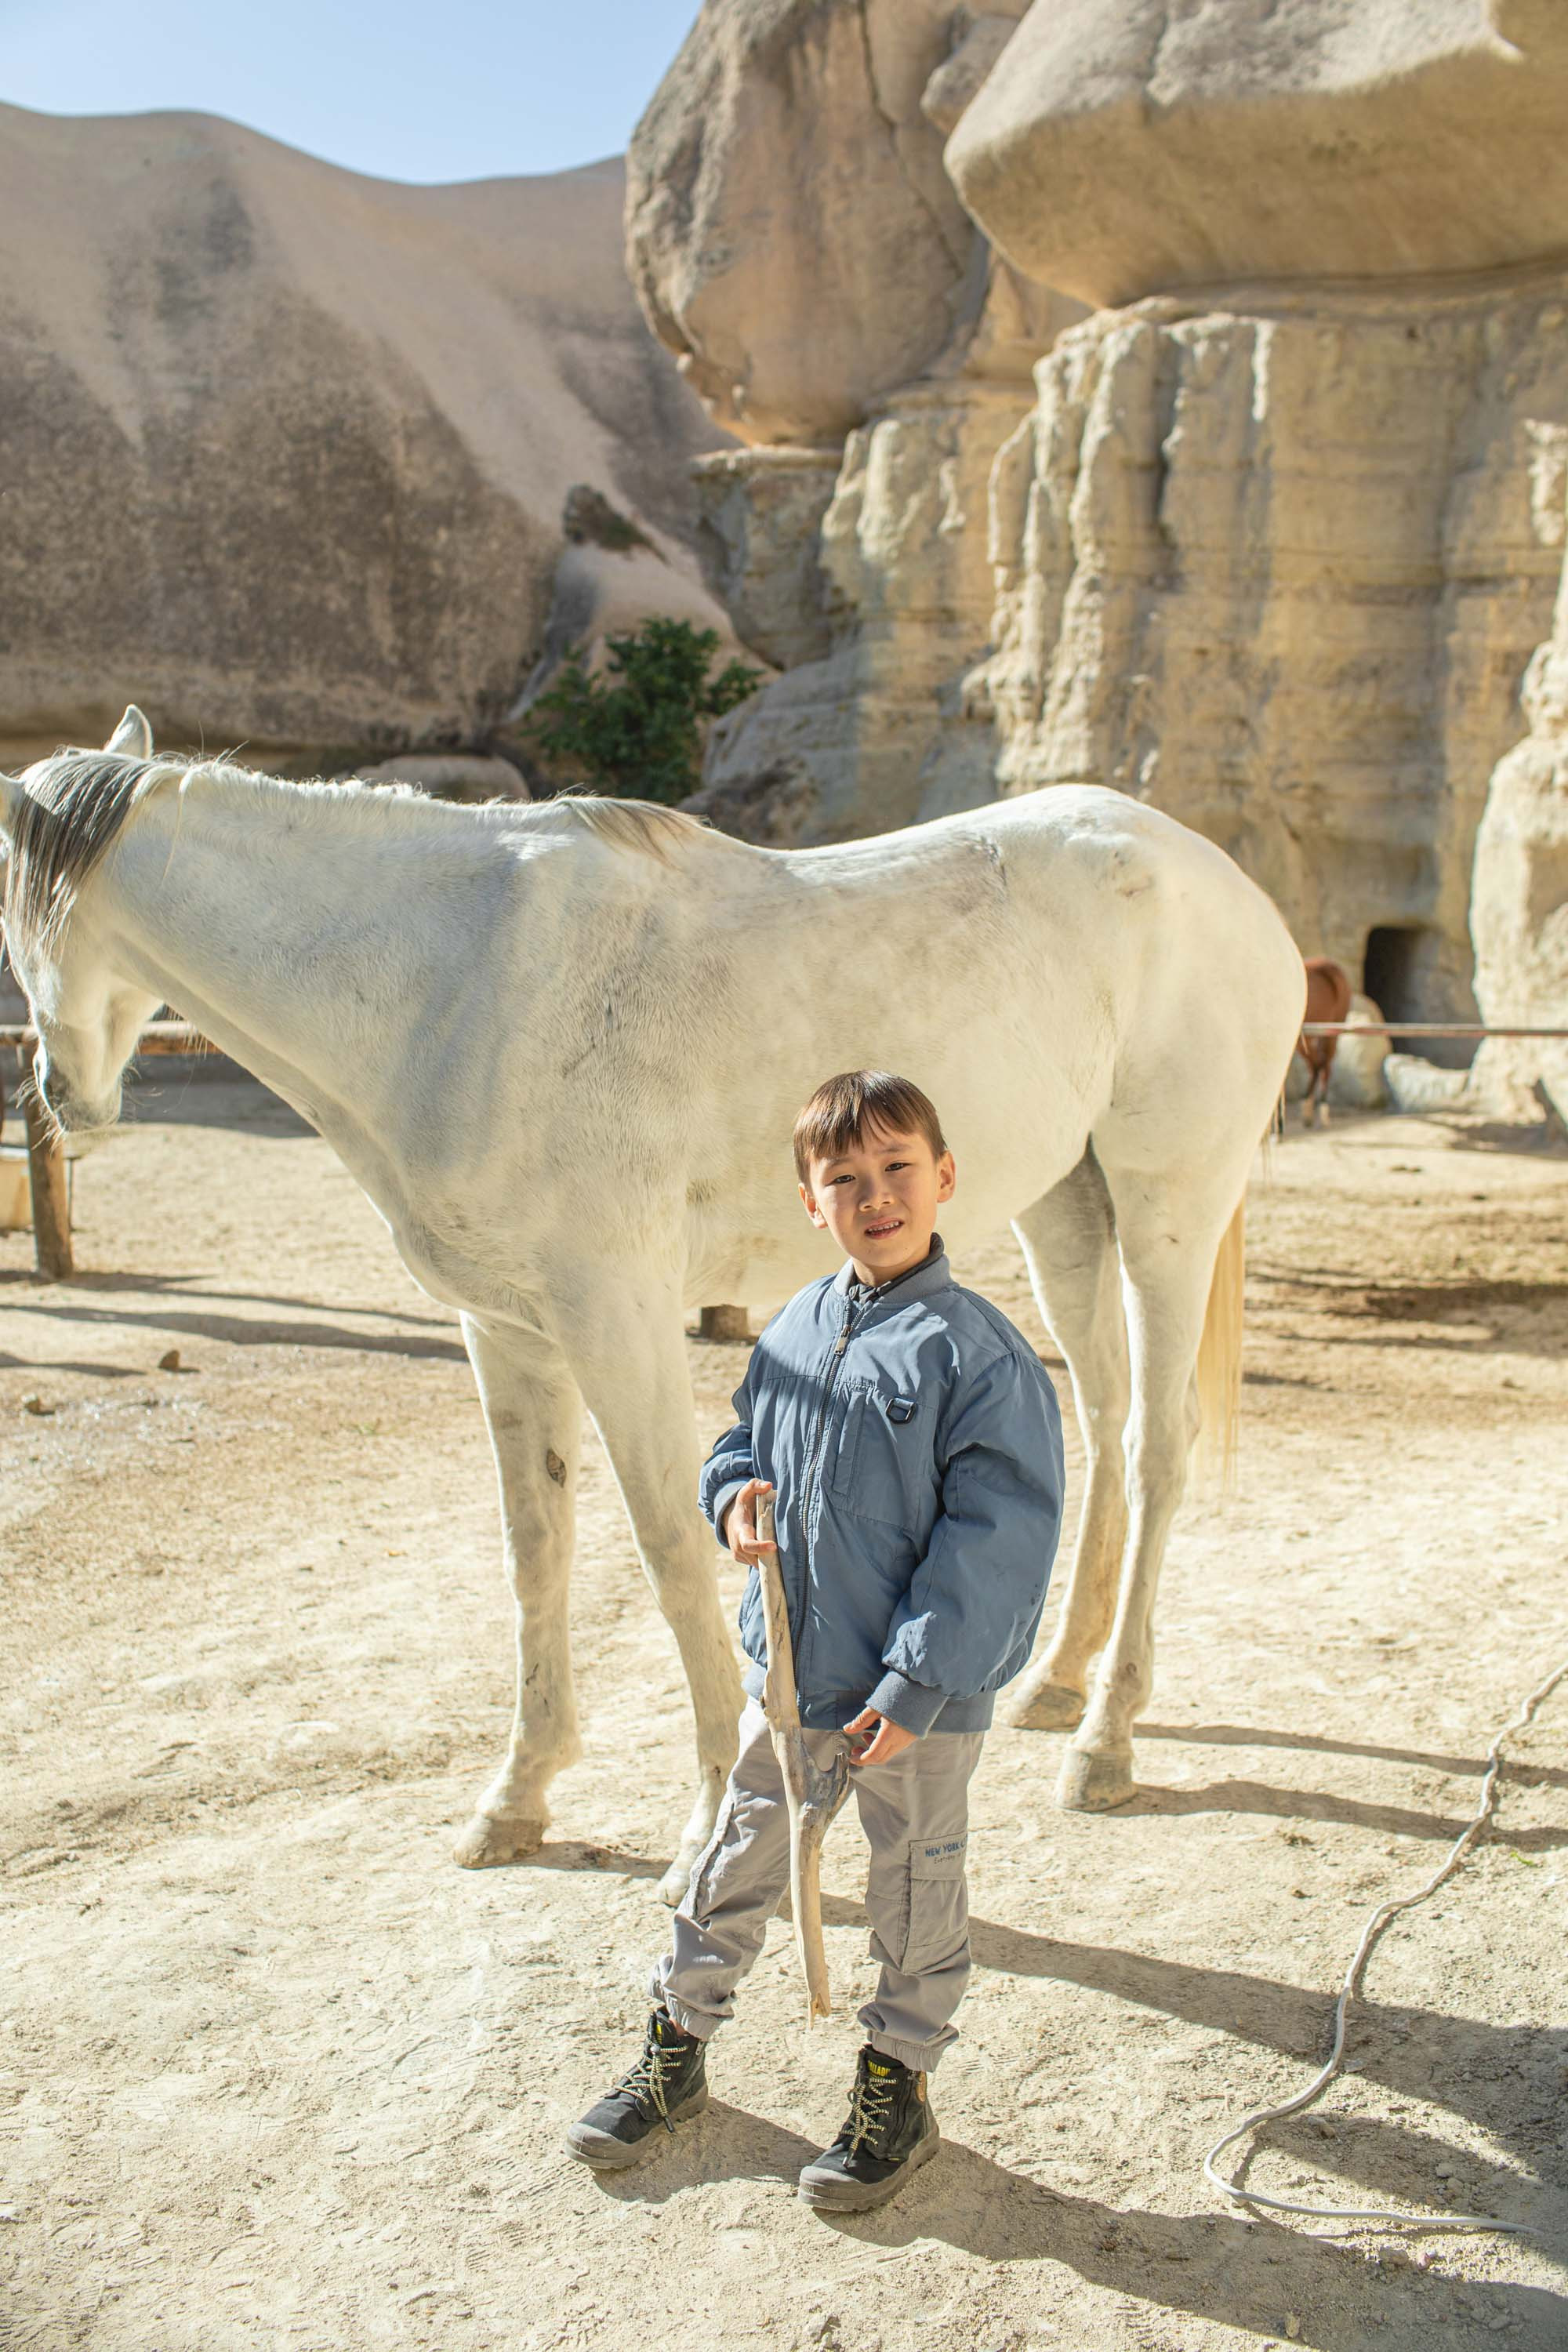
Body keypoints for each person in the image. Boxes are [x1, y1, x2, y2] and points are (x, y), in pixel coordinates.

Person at [565, 1069, 1065, 2212]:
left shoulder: (975, 1356)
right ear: (810, 1198)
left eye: (899, 1170)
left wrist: (920, 1679)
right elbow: (747, 1436)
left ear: (944, 1178)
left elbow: (998, 1541)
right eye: (845, 1178)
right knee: (736, 1852)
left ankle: (900, 2084)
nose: (875, 1195)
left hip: (911, 1704)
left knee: (913, 1886)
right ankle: (676, 2048)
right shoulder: (796, 1320)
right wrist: (736, 1489)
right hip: (792, 1673)